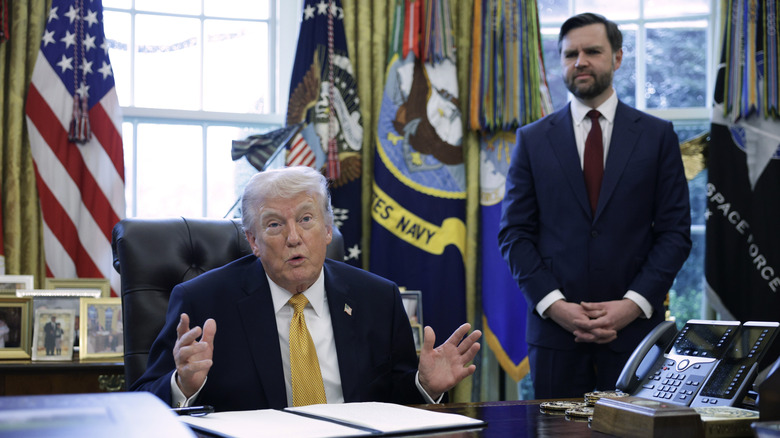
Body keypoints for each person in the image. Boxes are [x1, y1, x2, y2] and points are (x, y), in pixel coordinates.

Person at [132, 166, 482, 412]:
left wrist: (426, 386)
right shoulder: (202, 301)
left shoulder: (378, 299)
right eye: (274, 225)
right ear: (252, 240)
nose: (294, 237)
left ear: (328, 230)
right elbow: (142, 399)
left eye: (305, 219)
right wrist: (183, 385)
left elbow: (393, 399)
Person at [498, 13, 692, 398]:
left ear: (617, 58)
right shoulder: (532, 141)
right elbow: (514, 234)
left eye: (592, 51)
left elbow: (674, 234)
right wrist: (556, 306)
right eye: (570, 53)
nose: (580, 61)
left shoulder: (657, 137)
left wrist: (631, 306)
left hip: (635, 337)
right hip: (555, 338)